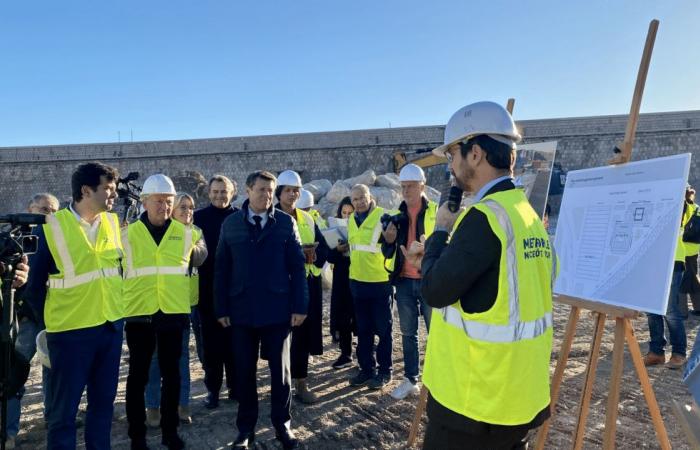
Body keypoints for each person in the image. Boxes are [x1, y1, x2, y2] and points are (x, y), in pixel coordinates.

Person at [402, 101, 557, 449]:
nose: (450, 167)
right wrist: (442, 255)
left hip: (474, 404)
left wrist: (441, 233)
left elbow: (435, 291)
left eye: (451, 156)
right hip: (518, 397)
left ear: (475, 154)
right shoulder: (526, 216)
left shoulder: (484, 218)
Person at [25, 162, 124, 449]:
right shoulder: (52, 228)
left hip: (110, 328)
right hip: (69, 334)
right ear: (85, 190)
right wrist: (50, 326)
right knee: (63, 414)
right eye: (107, 189)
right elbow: (33, 288)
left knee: (103, 407)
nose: (113, 195)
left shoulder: (113, 224)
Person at [215, 170, 308, 450]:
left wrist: (300, 305)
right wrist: (221, 308)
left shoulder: (285, 223)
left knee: (281, 374)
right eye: (261, 190)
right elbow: (221, 269)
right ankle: (245, 430)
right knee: (244, 374)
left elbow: (297, 267)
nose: (267, 195)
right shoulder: (231, 224)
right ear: (247, 190)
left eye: (271, 190)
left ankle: (283, 426)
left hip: (278, 310)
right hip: (241, 311)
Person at [122, 174, 199, 450]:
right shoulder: (126, 234)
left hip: (173, 314)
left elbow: (200, 255)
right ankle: (137, 436)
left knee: (172, 375)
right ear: (144, 202)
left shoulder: (186, 233)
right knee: (137, 377)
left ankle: (170, 432)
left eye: (168, 202)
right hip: (139, 314)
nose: (164, 207)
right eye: (158, 201)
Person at [145, 193, 207, 426]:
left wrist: (182, 241)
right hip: (155, 303)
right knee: (153, 358)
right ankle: (152, 407)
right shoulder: (158, 232)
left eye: (191, 208)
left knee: (180, 358)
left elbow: (200, 256)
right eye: (182, 207)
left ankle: (183, 404)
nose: (188, 212)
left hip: (184, 304)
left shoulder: (194, 232)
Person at [5, 193, 59, 449]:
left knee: (54, 371)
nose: (47, 215)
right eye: (43, 209)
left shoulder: (60, 239)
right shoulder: (13, 240)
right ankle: (9, 431)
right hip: (27, 315)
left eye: (52, 211)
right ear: (29, 209)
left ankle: (53, 417)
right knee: (13, 372)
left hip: (56, 314)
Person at [381, 163, 436, 400]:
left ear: (422, 185)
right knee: (407, 332)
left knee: (437, 333)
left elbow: (448, 243)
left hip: (430, 281)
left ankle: (435, 380)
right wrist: (390, 241)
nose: (406, 190)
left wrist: (430, 249)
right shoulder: (397, 216)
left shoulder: (436, 211)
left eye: (411, 186)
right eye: (403, 186)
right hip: (403, 281)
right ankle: (411, 379)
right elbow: (387, 252)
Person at [275, 170, 329, 404]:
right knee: (279, 336)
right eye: (288, 190)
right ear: (279, 193)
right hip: (279, 287)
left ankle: (301, 382)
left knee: (303, 336)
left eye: (295, 190)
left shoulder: (307, 219)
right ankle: (280, 384)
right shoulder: (271, 218)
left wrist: (313, 255)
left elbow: (324, 250)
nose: (292, 194)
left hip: (306, 285)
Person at [193, 175, 238, 409]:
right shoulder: (197, 219)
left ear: (233, 193)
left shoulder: (240, 217)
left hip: (236, 291)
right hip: (206, 291)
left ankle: (234, 386)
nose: (220, 195)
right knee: (211, 346)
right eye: (216, 191)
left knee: (235, 342)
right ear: (208, 193)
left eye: (224, 191)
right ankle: (213, 390)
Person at [346, 184, 394, 390]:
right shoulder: (351, 220)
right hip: (358, 282)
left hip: (380, 282)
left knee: (384, 330)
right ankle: (366, 370)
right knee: (363, 330)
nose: (359, 202)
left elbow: (391, 245)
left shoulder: (383, 217)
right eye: (355, 199)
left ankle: (385, 372)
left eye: (362, 197)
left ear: (370, 196)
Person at [644, 189, 688, 369]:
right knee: (651, 309)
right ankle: (656, 352)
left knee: (669, 310)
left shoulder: (682, 204)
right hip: (652, 262)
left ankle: (679, 353)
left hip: (672, 261)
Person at [326, 196, 356, 369]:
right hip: (341, 278)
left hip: (360, 275)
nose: (347, 217)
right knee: (343, 316)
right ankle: (346, 353)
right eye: (344, 213)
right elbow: (329, 256)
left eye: (350, 213)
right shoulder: (336, 229)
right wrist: (337, 250)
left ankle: (365, 354)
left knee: (361, 315)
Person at [680, 185, 700, 315]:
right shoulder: (696, 207)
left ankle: (682, 311)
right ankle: (698, 308)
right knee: (693, 277)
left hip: (682, 248)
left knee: (679, 280)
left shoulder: (682, 206)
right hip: (694, 248)